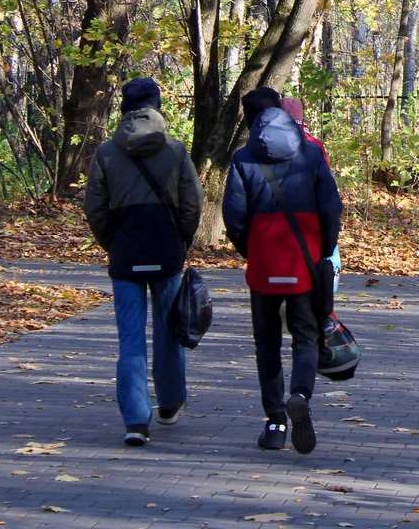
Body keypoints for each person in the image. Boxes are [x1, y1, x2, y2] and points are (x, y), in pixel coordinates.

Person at [83, 77, 203, 447]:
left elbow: (94, 209)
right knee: (169, 332)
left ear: (123, 106)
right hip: (165, 251)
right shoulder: (175, 150)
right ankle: (169, 403)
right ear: (157, 104)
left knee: (130, 340)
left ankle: (136, 421)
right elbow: (192, 204)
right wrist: (180, 240)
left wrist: (112, 243)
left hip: (126, 253)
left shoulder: (105, 152)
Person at [223, 86, 342, 454]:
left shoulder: (243, 159)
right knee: (305, 337)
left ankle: (275, 423)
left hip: (264, 265)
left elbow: (234, 217)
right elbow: (331, 207)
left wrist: (251, 251)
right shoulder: (310, 152)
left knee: (267, 343)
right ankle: (301, 394)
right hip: (303, 263)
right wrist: (321, 250)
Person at [280, 97, 341, 293]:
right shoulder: (315, 145)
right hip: (311, 213)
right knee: (326, 259)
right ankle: (326, 300)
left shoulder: (268, 144)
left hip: (278, 214)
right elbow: (326, 183)